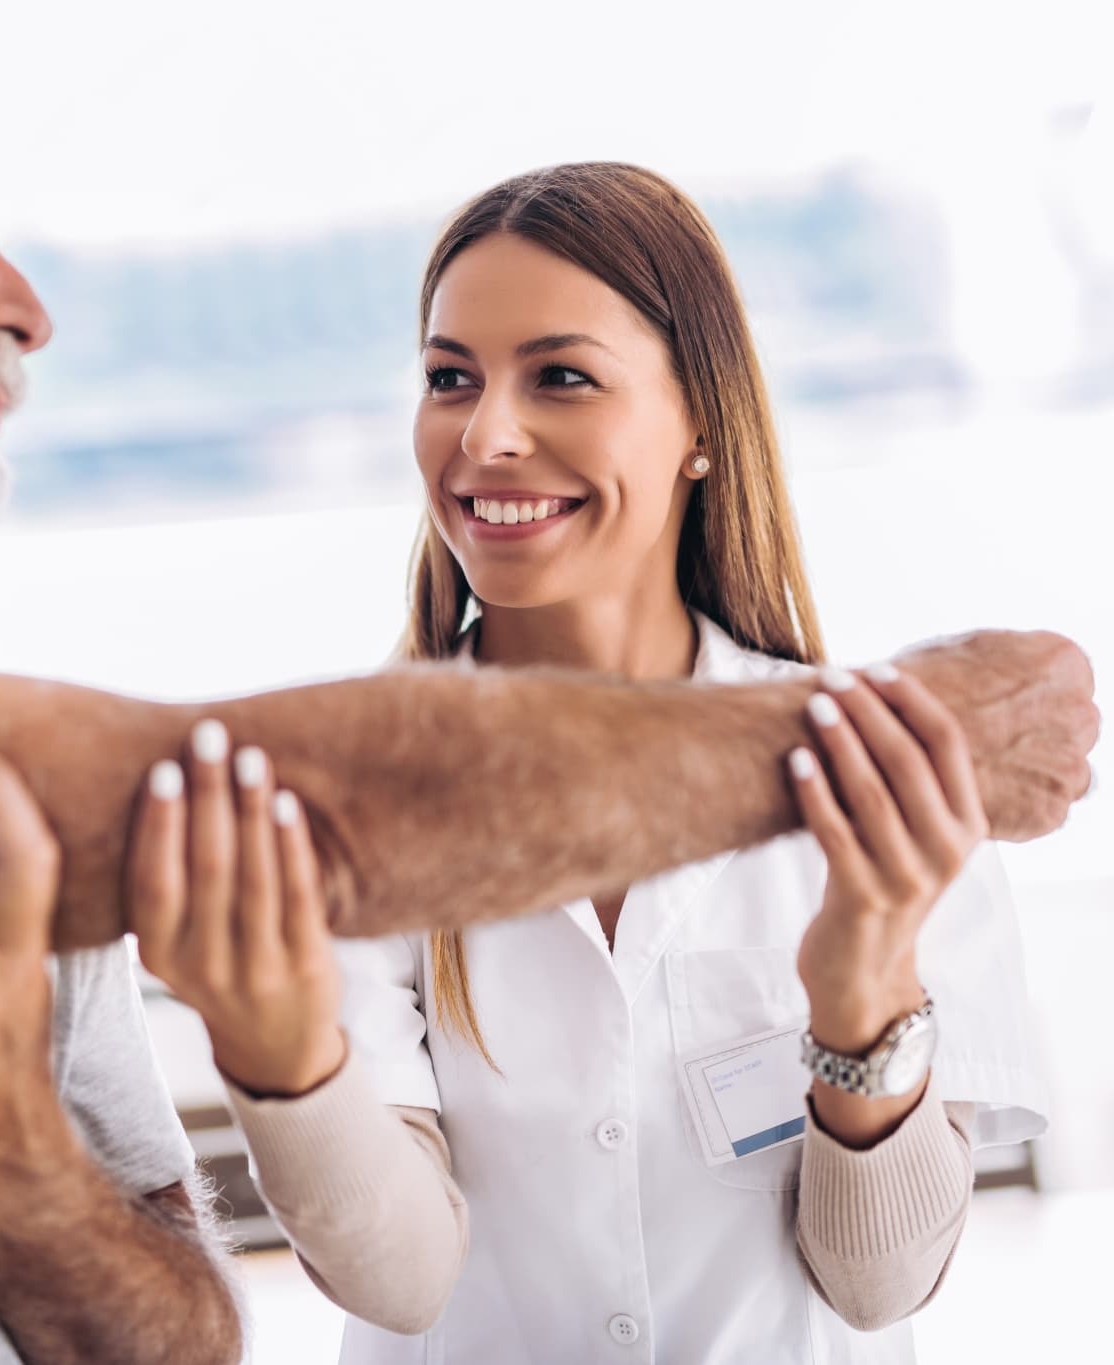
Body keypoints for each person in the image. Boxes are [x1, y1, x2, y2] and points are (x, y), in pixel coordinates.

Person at [0, 6, 1097, 1363]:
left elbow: (188, 1337)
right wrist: (896, 740)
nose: (27, 304)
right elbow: (322, 808)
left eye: (562, 376)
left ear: (702, 424)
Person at [128, 164, 1047, 1364]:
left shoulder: (889, 781)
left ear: (701, 427)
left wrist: (861, 979)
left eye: (559, 377)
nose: (485, 436)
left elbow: (877, 1287)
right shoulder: (349, 791)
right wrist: (273, 1049)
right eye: (449, 378)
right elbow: (397, 1280)